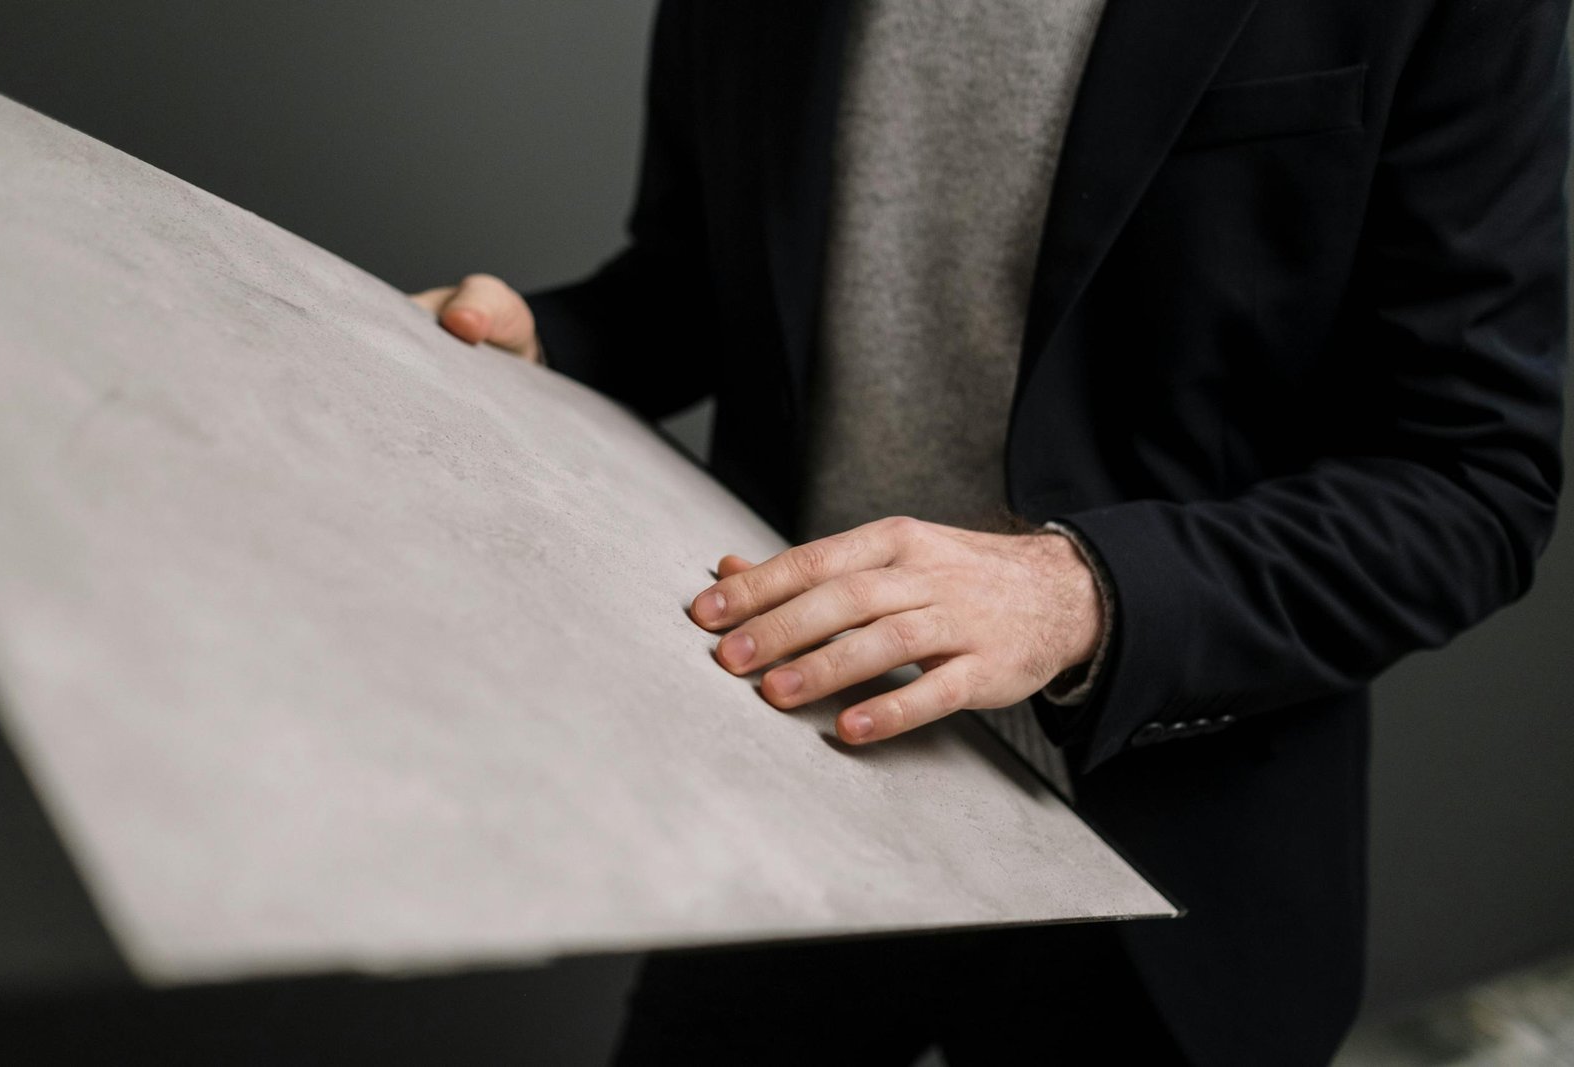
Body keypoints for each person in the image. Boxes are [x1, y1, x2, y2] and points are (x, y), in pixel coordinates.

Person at [412, 0, 1572, 1062]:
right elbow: (696, 285)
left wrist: (1077, 593)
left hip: (1165, 879)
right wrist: (547, 341)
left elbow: (1471, 480)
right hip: (786, 790)